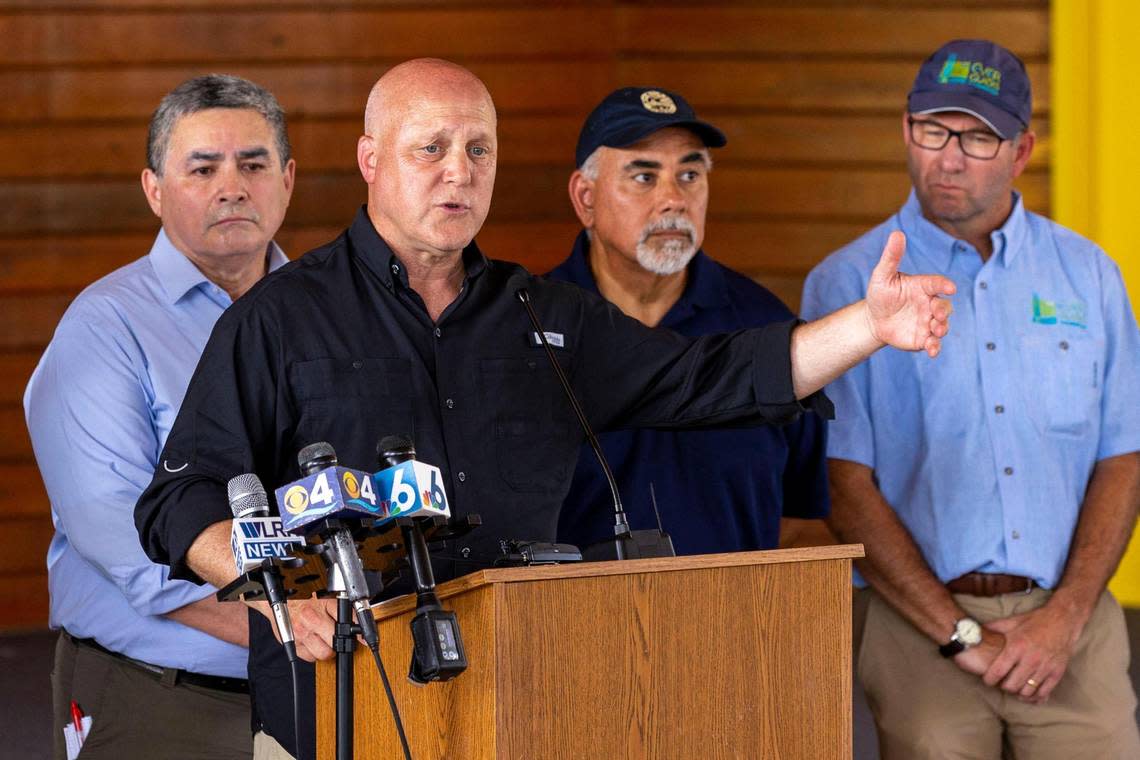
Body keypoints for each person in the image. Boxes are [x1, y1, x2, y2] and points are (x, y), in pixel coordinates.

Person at [133, 58, 954, 760]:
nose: (459, 171)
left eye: (479, 149)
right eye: (432, 149)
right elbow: (181, 496)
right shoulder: (279, 317)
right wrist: (276, 592)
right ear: (370, 160)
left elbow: (712, 376)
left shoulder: (542, 315)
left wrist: (870, 326)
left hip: (519, 707)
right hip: (338, 711)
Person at [801, 39, 1140, 759]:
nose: (948, 157)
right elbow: (843, 483)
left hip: (1071, 624)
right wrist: (961, 634)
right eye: (933, 129)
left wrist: (1066, 616)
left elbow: (1124, 454)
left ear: (1021, 150)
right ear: (905, 129)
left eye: (978, 137)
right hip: (916, 623)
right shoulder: (845, 284)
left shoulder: (1091, 276)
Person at [24, 74, 294, 759]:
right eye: (203, 168)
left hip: (320, 686)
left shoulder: (328, 316)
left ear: (288, 180)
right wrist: (291, 621)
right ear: (154, 189)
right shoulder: (104, 328)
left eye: (254, 164)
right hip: (165, 697)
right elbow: (124, 541)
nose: (232, 186)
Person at [548, 87, 828, 556]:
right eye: (644, 176)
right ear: (585, 197)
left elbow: (804, 518)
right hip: (569, 623)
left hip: (732, 620)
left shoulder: (765, 328)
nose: (673, 199)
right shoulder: (532, 327)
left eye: (690, 174)